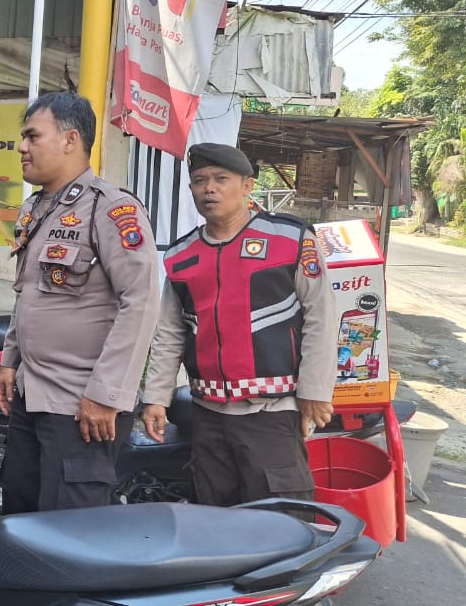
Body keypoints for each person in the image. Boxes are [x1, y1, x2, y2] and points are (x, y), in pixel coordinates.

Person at [141, 143, 336, 506]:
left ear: (247, 186)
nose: (209, 189)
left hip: (272, 412)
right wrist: (156, 397)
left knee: (280, 517)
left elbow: (320, 316)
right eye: (200, 181)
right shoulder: (181, 256)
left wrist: (315, 390)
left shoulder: (290, 239)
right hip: (207, 415)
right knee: (215, 513)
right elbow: (169, 333)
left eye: (221, 179)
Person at [0, 91, 160, 514]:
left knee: (70, 527)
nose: (22, 147)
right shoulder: (35, 209)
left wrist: (107, 395)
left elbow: (140, 303)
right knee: (20, 515)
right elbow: (28, 292)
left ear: (70, 140)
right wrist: (10, 361)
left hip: (81, 405)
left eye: (33, 136)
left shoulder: (111, 209)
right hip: (31, 395)